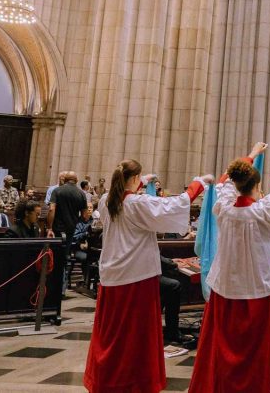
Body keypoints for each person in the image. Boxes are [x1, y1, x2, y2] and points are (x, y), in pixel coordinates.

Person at [84, 159, 209, 393]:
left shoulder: (105, 200)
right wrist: (198, 183)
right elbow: (175, 204)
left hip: (112, 275)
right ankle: (133, 381)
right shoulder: (137, 204)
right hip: (136, 276)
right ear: (133, 179)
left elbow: (122, 189)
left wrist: (142, 180)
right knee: (135, 334)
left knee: (111, 332)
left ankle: (105, 377)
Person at [189, 142, 270, 392]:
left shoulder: (224, 208)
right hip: (259, 290)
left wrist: (250, 155)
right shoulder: (264, 212)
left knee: (224, 345)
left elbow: (225, 181)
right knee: (255, 351)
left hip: (226, 290)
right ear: (258, 188)